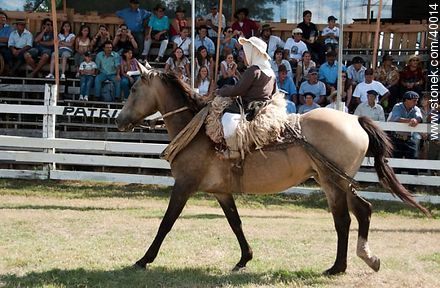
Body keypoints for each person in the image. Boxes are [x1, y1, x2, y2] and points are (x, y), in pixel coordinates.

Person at [217, 37, 276, 159]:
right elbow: (274, 92)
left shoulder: (254, 70)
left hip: (250, 105)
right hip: (265, 105)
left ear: (253, 52)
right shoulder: (270, 71)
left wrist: (221, 91)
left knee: (227, 118)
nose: (244, 55)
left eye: (246, 52)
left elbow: (237, 90)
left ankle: (233, 150)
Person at [388, 91, 422, 160]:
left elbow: (419, 117)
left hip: (410, 139)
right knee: (396, 164)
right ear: (406, 100)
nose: (416, 103)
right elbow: (396, 118)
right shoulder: (397, 106)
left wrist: (416, 120)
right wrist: (410, 120)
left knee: (413, 162)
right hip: (397, 139)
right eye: (414, 101)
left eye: (416, 101)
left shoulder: (416, 108)